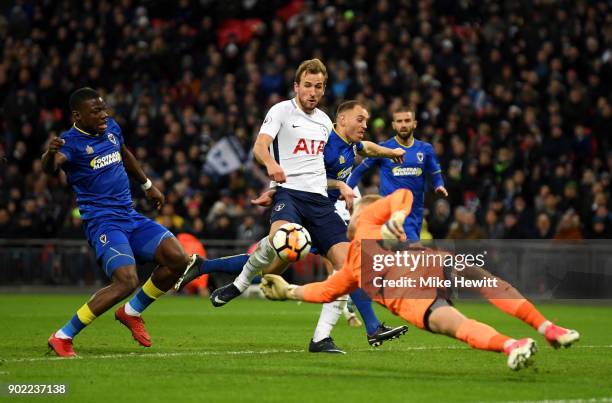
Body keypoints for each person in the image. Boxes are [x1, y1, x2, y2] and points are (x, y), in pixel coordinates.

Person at [207, 59, 407, 353]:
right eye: (308, 86)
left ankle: (347, 333)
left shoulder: (325, 122)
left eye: (318, 87)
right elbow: (260, 146)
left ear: (324, 90)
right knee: (279, 243)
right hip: (289, 194)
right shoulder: (281, 111)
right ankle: (239, 284)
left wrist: (389, 153)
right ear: (296, 87)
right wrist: (272, 168)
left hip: (320, 204)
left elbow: (358, 148)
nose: (313, 92)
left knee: (350, 266)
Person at [260, 189, 580, 370]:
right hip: (419, 285)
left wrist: (396, 217)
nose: (350, 214)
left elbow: (402, 195)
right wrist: (289, 290)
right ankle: (520, 341)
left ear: (365, 212)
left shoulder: (368, 223)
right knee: (473, 300)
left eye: (353, 210)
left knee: (469, 302)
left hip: (418, 284)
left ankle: (536, 332)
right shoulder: (351, 267)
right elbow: (324, 291)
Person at [43, 87, 198, 357]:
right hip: (104, 223)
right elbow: (52, 166)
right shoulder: (71, 143)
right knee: (126, 281)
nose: (104, 114)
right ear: (78, 116)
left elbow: (125, 154)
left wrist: (148, 184)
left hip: (129, 216)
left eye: (104, 108)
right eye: (96, 111)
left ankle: (131, 311)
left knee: (178, 259)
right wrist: (48, 154)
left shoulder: (111, 128)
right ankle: (62, 335)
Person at [348, 107, 448, 241]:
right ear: (394, 125)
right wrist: (347, 190)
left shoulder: (425, 149)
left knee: (404, 257)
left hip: (415, 213)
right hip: (391, 213)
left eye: (407, 120)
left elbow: (435, 172)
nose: (403, 125)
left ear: (414, 123)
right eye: (399, 121)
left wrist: (439, 185)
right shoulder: (384, 148)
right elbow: (360, 170)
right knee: (406, 252)